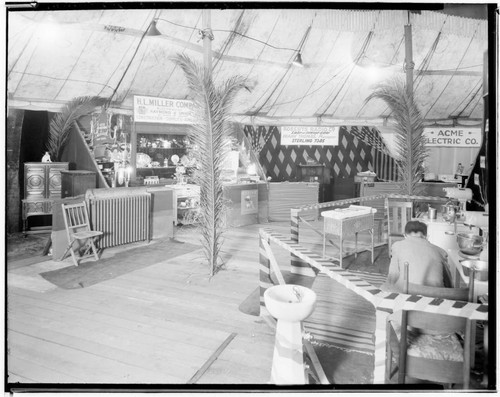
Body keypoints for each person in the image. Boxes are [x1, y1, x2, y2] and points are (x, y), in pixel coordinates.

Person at [381, 220, 450, 292]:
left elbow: (392, 278)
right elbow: (448, 283)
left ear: (405, 235)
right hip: (435, 296)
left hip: (407, 293)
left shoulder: (397, 246)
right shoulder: (440, 251)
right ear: (426, 236)